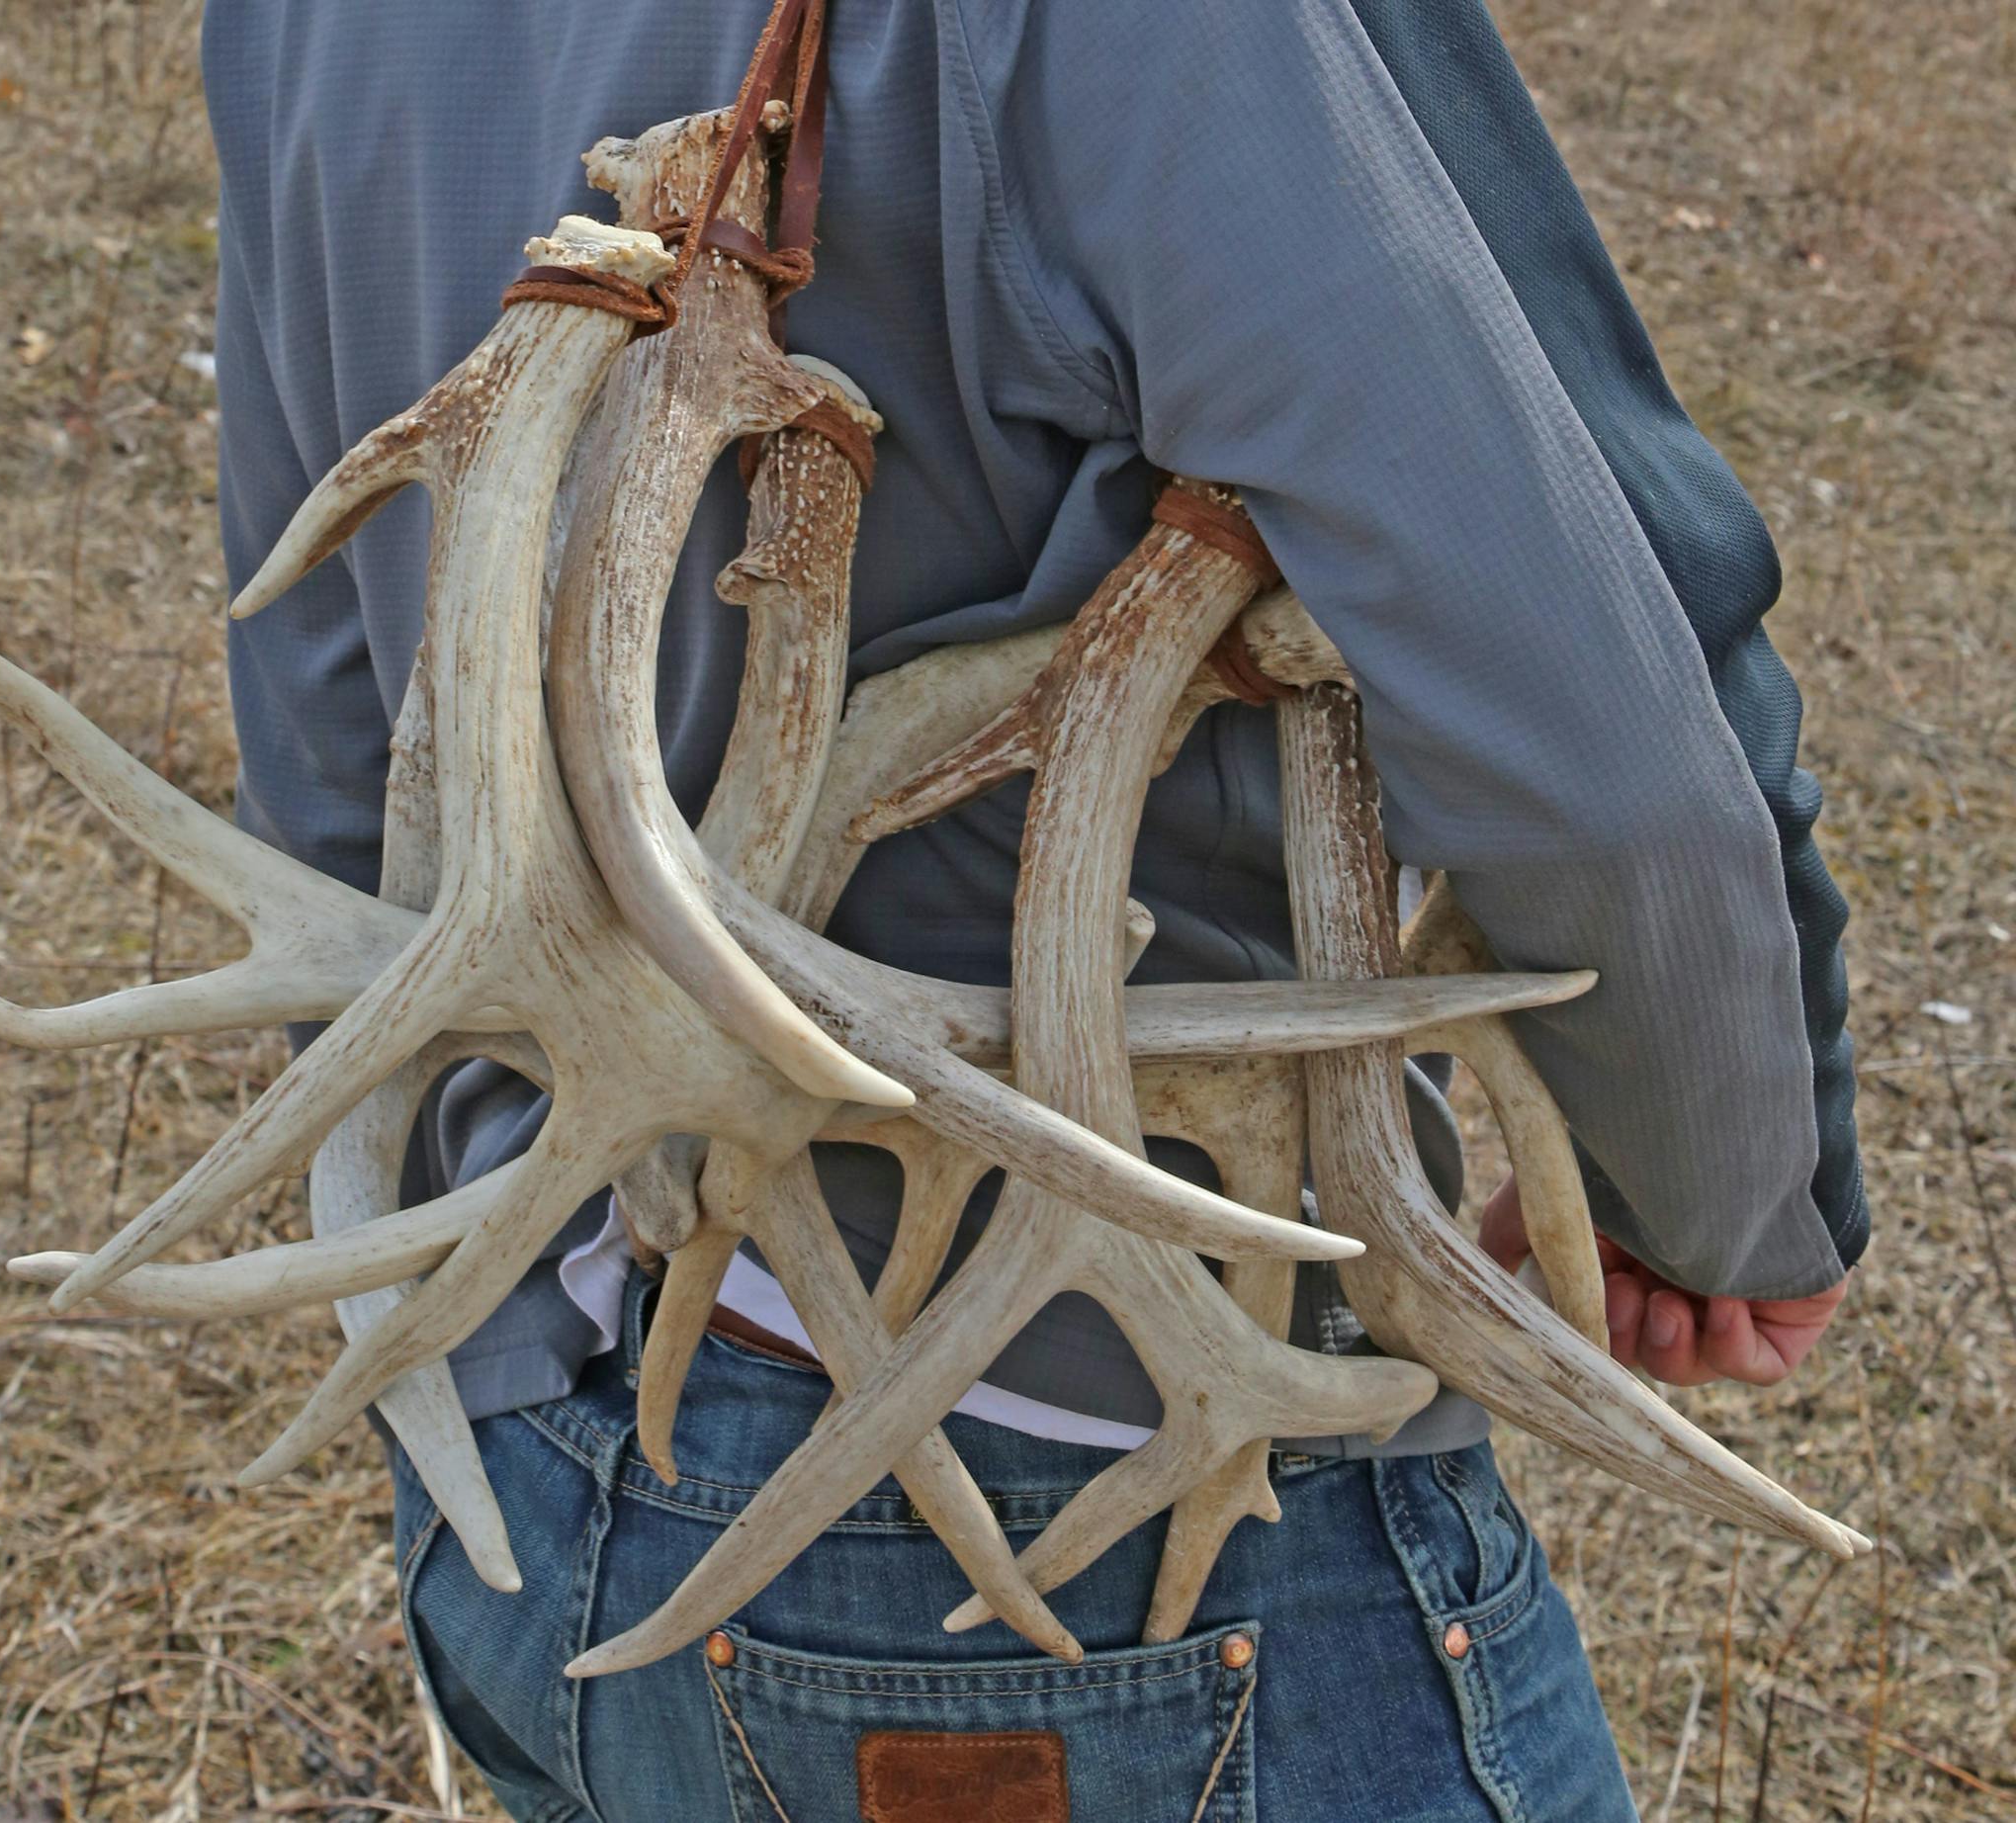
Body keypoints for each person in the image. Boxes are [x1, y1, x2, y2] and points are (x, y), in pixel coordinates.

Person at [203, 1, 1863, 1816]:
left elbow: (329, 732)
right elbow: (1602, 716)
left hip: (531, 1457)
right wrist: (1719, 1194)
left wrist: (492, 1332)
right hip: (1101, 1550)